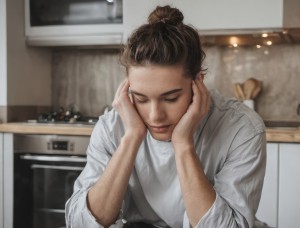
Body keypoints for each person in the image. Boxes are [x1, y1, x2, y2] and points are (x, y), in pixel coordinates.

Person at [65, 5, 267, 228]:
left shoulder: (241, 128)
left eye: (170, 99)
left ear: (197, 82)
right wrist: (132, 137)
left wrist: (183, 145)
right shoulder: (112, 126)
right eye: (141, 99)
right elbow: (81, 223)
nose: (155, 116)